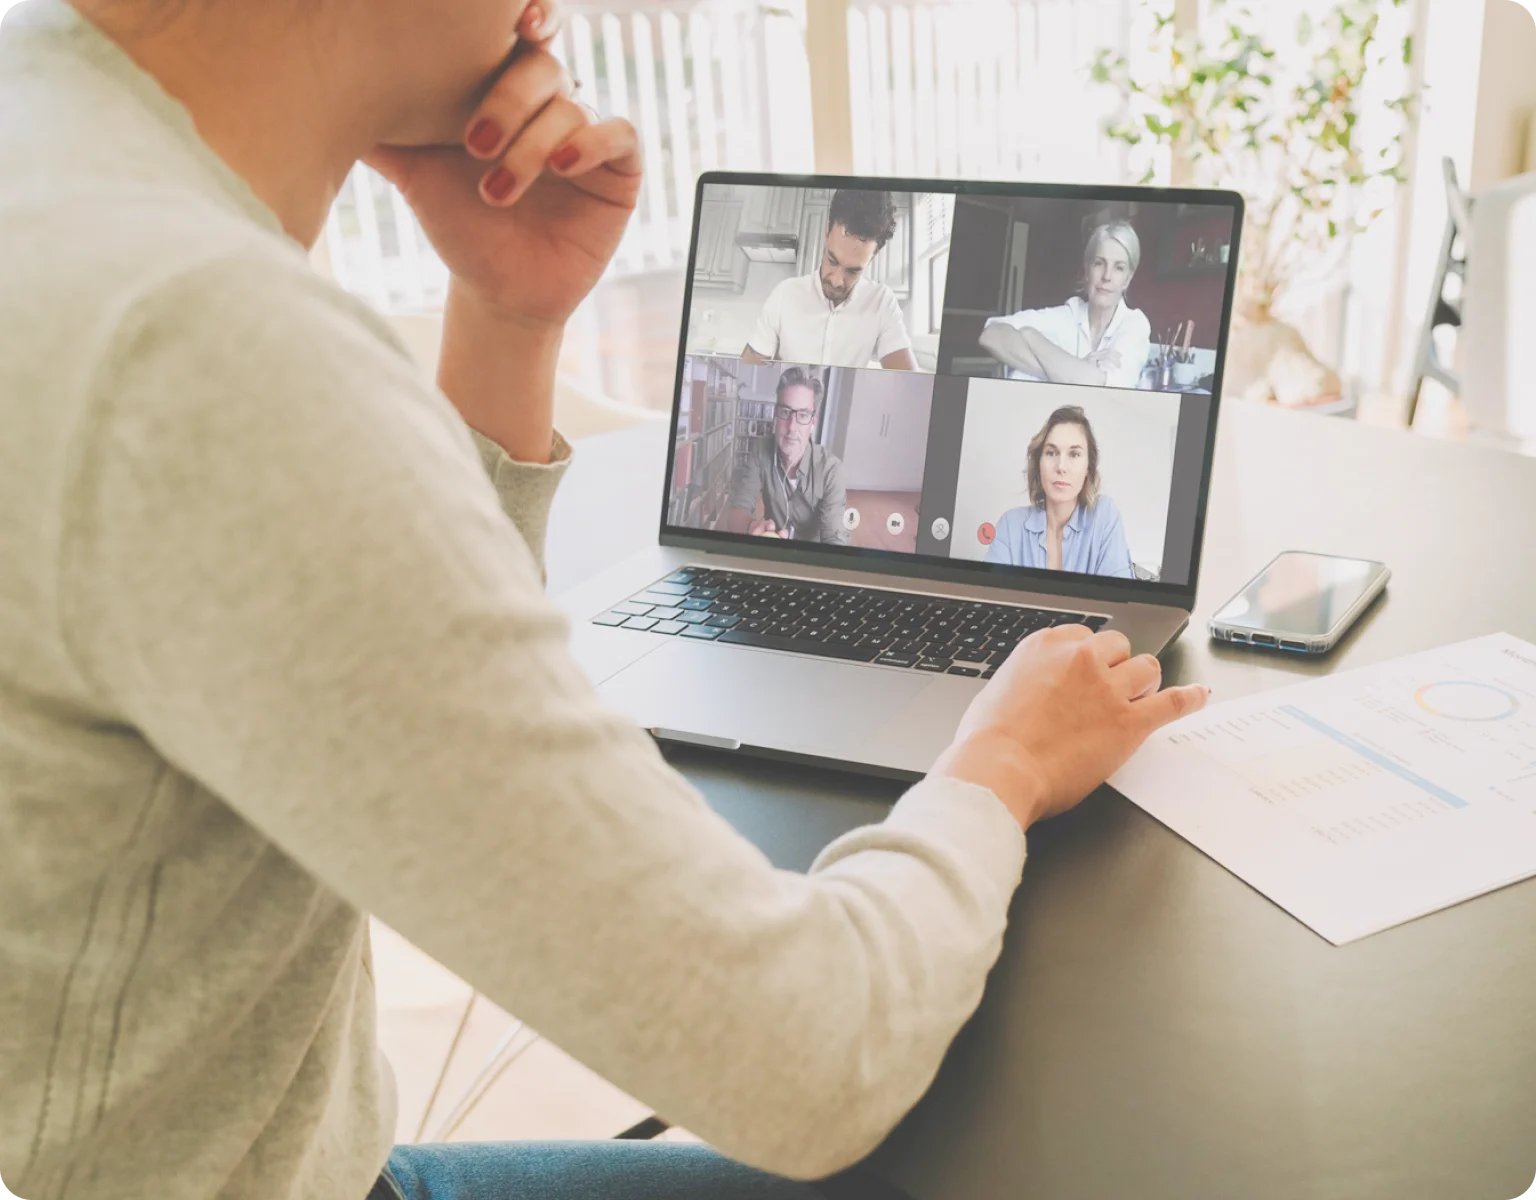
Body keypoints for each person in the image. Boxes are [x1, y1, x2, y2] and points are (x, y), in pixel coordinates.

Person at [0, 1, 1208, 1198]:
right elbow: (815, 1060)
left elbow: (380, 679)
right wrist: (1001, 758)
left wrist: (507, 321)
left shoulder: (51, 141)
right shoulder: (204, 345)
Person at [742, 189, 919, 371]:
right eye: (832, 260)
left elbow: (911, 384)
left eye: (853, 271)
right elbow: (747, 371)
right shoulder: (784, 294)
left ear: (873, 257)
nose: (836, 281)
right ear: (827, 232)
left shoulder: (882, 303)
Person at [978, 220, 1153, 390]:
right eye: (1099, 263)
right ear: (1087, 270)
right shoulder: (1068, 313)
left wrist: (1033, 337)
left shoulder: (1135, 324)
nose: (1107, 276)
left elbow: (1099, 387)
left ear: (1128, 279)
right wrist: (1066, 371)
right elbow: (990, 335)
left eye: (1119, 268)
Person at [985, 407, 1136, 578]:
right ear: (1039, 463)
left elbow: (1115, 599)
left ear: (1088, 467)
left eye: (1074, 454)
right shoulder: (1010, 525)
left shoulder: (1104, 514)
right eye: (1051, 453)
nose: (1061, 467)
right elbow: (992, 592)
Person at [723, 368, 848, 545]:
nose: (791, 427)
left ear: (813, 422)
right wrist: (752, 527)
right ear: (775, 413)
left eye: (803, 415)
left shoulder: (831, 471)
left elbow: (835, 540)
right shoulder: (760, 450)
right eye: (785, 412)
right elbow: (737, 512)